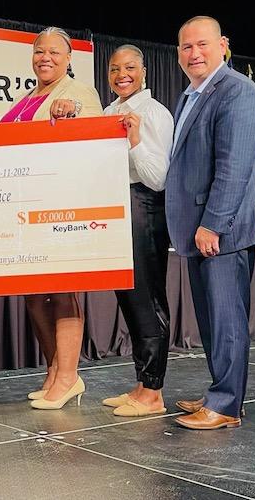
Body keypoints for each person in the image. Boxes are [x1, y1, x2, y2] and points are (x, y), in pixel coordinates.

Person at [167, 16, 255, 430]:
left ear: (223, 45)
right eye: (187, 47)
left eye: (202, 44)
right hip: (200, 229)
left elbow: (234, 167)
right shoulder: (190, 95)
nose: (195, 53)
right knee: (210, 318)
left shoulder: (238, 91)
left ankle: (225, 405)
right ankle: (221, 393)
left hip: (221, 228)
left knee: (225, 318)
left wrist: (213, 224)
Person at [0, 27, 103, 410]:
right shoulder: (28, 96)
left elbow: (93, 134)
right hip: (26, 208)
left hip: (61, 205)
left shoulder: (78, 93)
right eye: (39, 51)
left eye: (54, 52)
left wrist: (71, 113)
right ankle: (55, 370)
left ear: (69, 57)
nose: (45, 57)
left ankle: (69, 376)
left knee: (63, 290)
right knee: (33, 295)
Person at [101, 45, 174, 417]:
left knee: (147, 298)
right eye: (115, 69)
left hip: (144, 205)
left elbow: (158, 179)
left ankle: (154, 393)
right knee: (129, 297)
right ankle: (143, 383)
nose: (122, 75)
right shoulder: (109, 111)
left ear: (144, 72)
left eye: (129, 67)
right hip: (116, 205)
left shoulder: (153, 113)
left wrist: (134, 141)